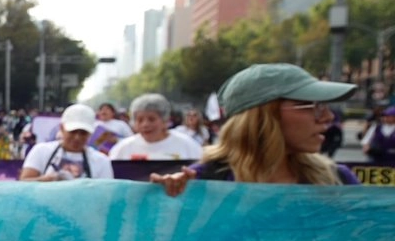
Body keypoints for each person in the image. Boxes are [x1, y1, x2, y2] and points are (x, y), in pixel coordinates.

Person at [151, 63, 360, 195]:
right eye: (314, 106)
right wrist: (169, 198)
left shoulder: (337, 180)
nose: (328, 117)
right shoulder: (203, 182)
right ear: (266, 116)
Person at [19, 103, 114, 181]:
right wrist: (47, 180)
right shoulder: (41, 151)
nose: (77, 137)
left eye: (83, 133)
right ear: (62, 128)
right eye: (73, 132)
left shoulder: (102, 161)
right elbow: (24, 182)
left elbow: (106, 193)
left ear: (91, 133)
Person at [108, 94, 202, 161]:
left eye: (151, 119)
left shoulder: (188, 146)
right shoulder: (122, 149)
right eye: (140, 120)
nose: (145, 124)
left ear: (165, 120)